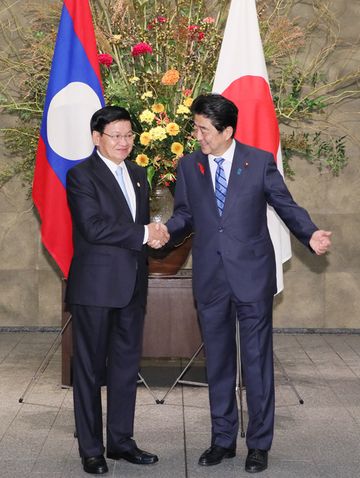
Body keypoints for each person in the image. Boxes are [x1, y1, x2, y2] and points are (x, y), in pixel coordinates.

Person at [166, 94, 331, 473]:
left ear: (227, 131)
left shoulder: (257, 162)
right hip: (211, 278)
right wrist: (164, 231)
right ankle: (222, 439)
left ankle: (259, 443)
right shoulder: (189, 165)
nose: (198, 136)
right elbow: (185, 215)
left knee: (256, 362)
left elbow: (285, 204)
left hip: (252, 277)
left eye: (204, 129)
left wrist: (310, 234)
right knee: (219, 362)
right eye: (196, 128)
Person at [65, 105, 169, 475]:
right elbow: (93, 228)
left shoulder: (139, 174)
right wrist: (144, 233)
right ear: (97, 138)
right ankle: (91, 449)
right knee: (90, 371)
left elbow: (138, 228)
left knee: (126, 369)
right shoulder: (81, 176)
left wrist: (157, 236)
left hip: (131, 288)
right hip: (95, 289)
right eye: (116, 136)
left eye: (128, 135)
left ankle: (121, 443)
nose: (124, 143)